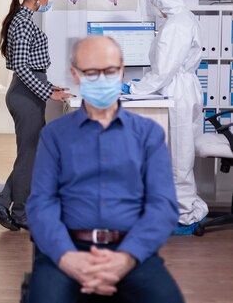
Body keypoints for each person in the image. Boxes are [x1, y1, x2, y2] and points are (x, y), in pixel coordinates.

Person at [25, 36, 184, 303]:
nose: (102, 79)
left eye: (109, 71)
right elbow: (41, 204)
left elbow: (162, 205)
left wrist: (126, 258)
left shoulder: (148, 135)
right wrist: (66, 257)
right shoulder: (54, 135)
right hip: (68, 250)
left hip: (131, 251)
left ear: (121, 70)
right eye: (91, 73)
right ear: (76, 75)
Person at [0, 0, 74, 231]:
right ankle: (20, 212)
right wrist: (49, 93)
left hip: (30, 91)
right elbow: (23, 69)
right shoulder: (22, 23)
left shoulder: (23, 20)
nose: (50, 1)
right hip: (25, 95)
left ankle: (4, 202)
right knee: (30, 156)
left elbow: (30, 68)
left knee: (32, 154)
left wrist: (49, 86)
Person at [126, 0, 208, 234]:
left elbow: (164, 70)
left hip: (178, 92)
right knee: (177, 155)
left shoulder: (176, 25)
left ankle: (185, 216)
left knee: (179, 158)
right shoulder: (182, 18)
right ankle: (182, 208)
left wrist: (135, 88)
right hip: (182, 89)